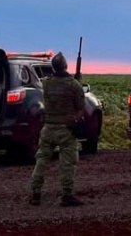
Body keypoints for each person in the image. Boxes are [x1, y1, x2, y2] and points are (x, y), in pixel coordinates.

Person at [30, 52, 86, 207]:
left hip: (48, 128)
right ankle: (67, 195)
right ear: (66, 66)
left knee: (41, 161)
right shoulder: (73, 85)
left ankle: (35, 193)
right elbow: (80, 108)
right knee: (67, 163)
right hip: (66, 130)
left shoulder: (46, 83)